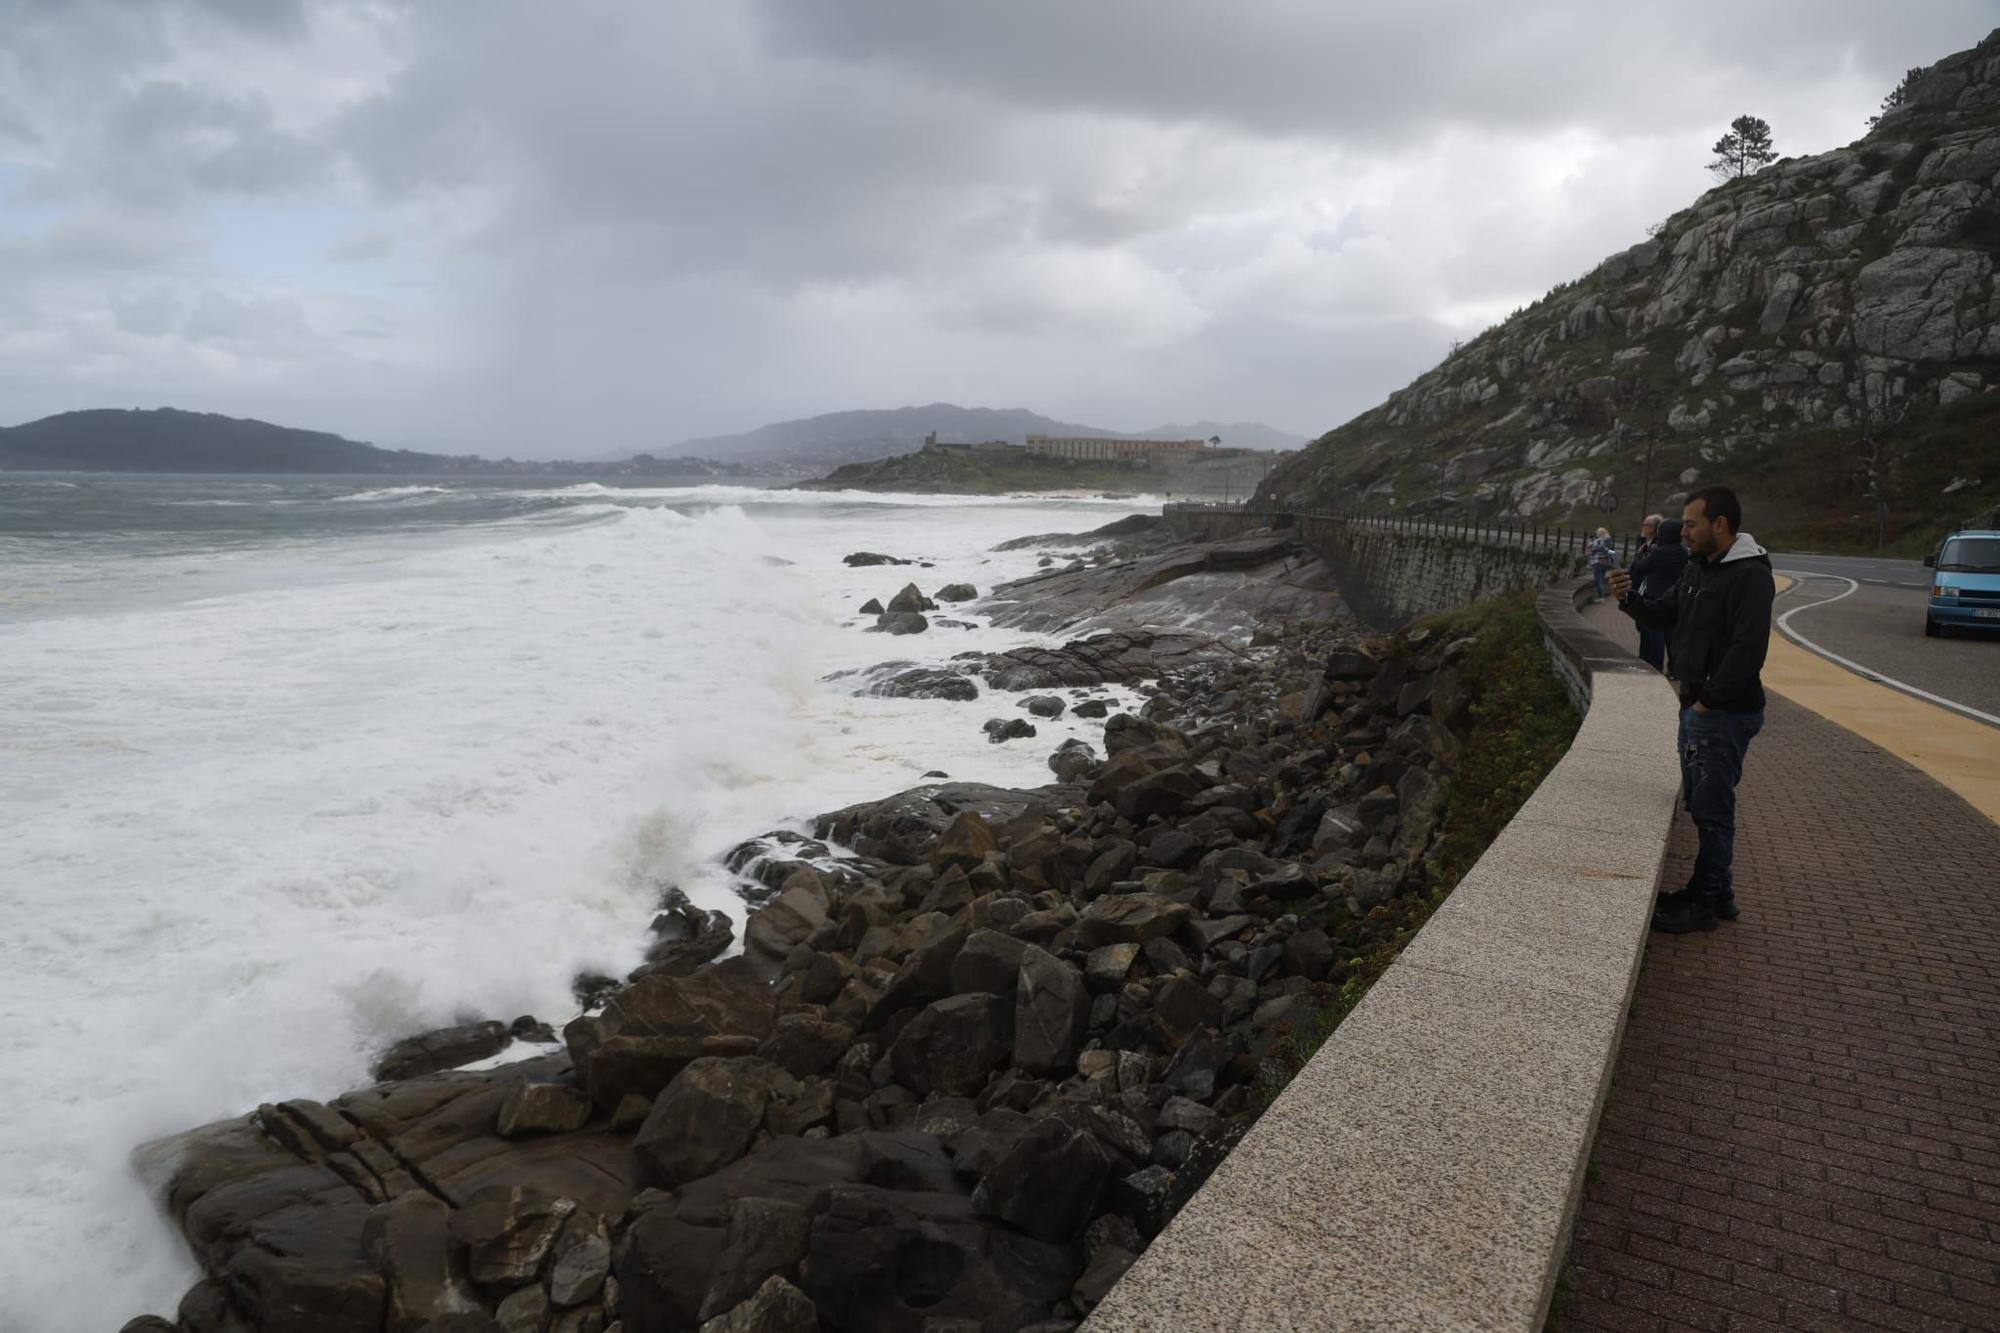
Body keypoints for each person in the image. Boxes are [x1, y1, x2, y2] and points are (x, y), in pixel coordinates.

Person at [1609, 486, 1773, 934]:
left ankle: (1703, 903)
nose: (1684, 531)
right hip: (1699, 707)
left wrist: (1707, 702)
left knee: (1712, 808)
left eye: (1692, 523)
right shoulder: (1698, 567)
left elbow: (1748, 650)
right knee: (1703, 803)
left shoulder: (1750, 576)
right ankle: (1719, 894)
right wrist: (1629, 600)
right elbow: (1663, 615)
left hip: (1723, 712)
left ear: (1720, 524)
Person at [1625, 517, 1687, 672]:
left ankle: (1653, 668)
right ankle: (1675, 670)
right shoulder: (1683, 551)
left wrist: (1640, 555)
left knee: (1653, 637)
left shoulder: (1661, 552)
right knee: (1672, 638)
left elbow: (1639, 569)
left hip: (1656, 598)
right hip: (1676, 598)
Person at [1588, 526, 1617, 601]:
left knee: (1599, 579)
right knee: (1602, 578)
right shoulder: (1609, 541)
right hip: (1605, 562)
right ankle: (1602, 595)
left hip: (1598, 561)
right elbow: (1612, 551)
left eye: (1597, 533)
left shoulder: (1600, 541)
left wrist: (1592, 546)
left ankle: (1601, 597)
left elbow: (1595, 549)